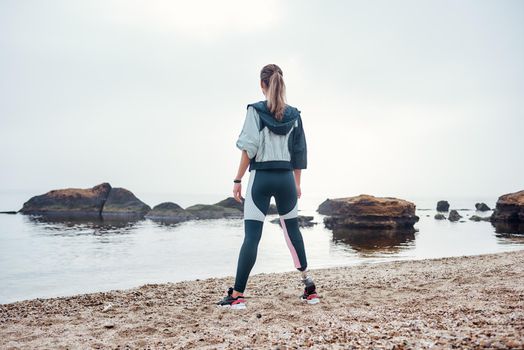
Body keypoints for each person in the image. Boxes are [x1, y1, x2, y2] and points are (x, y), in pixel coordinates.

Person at [216, 64, 319, 309]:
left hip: (261, 179)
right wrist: (297, 184)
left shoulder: (255, 111)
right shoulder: (295, 115)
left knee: (252, 237)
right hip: (285, 179)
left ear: (263, 85)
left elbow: (248, 148)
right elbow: (299, 152)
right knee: (293, 232)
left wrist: (237, 180)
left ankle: (237, 295)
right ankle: (310, 289)